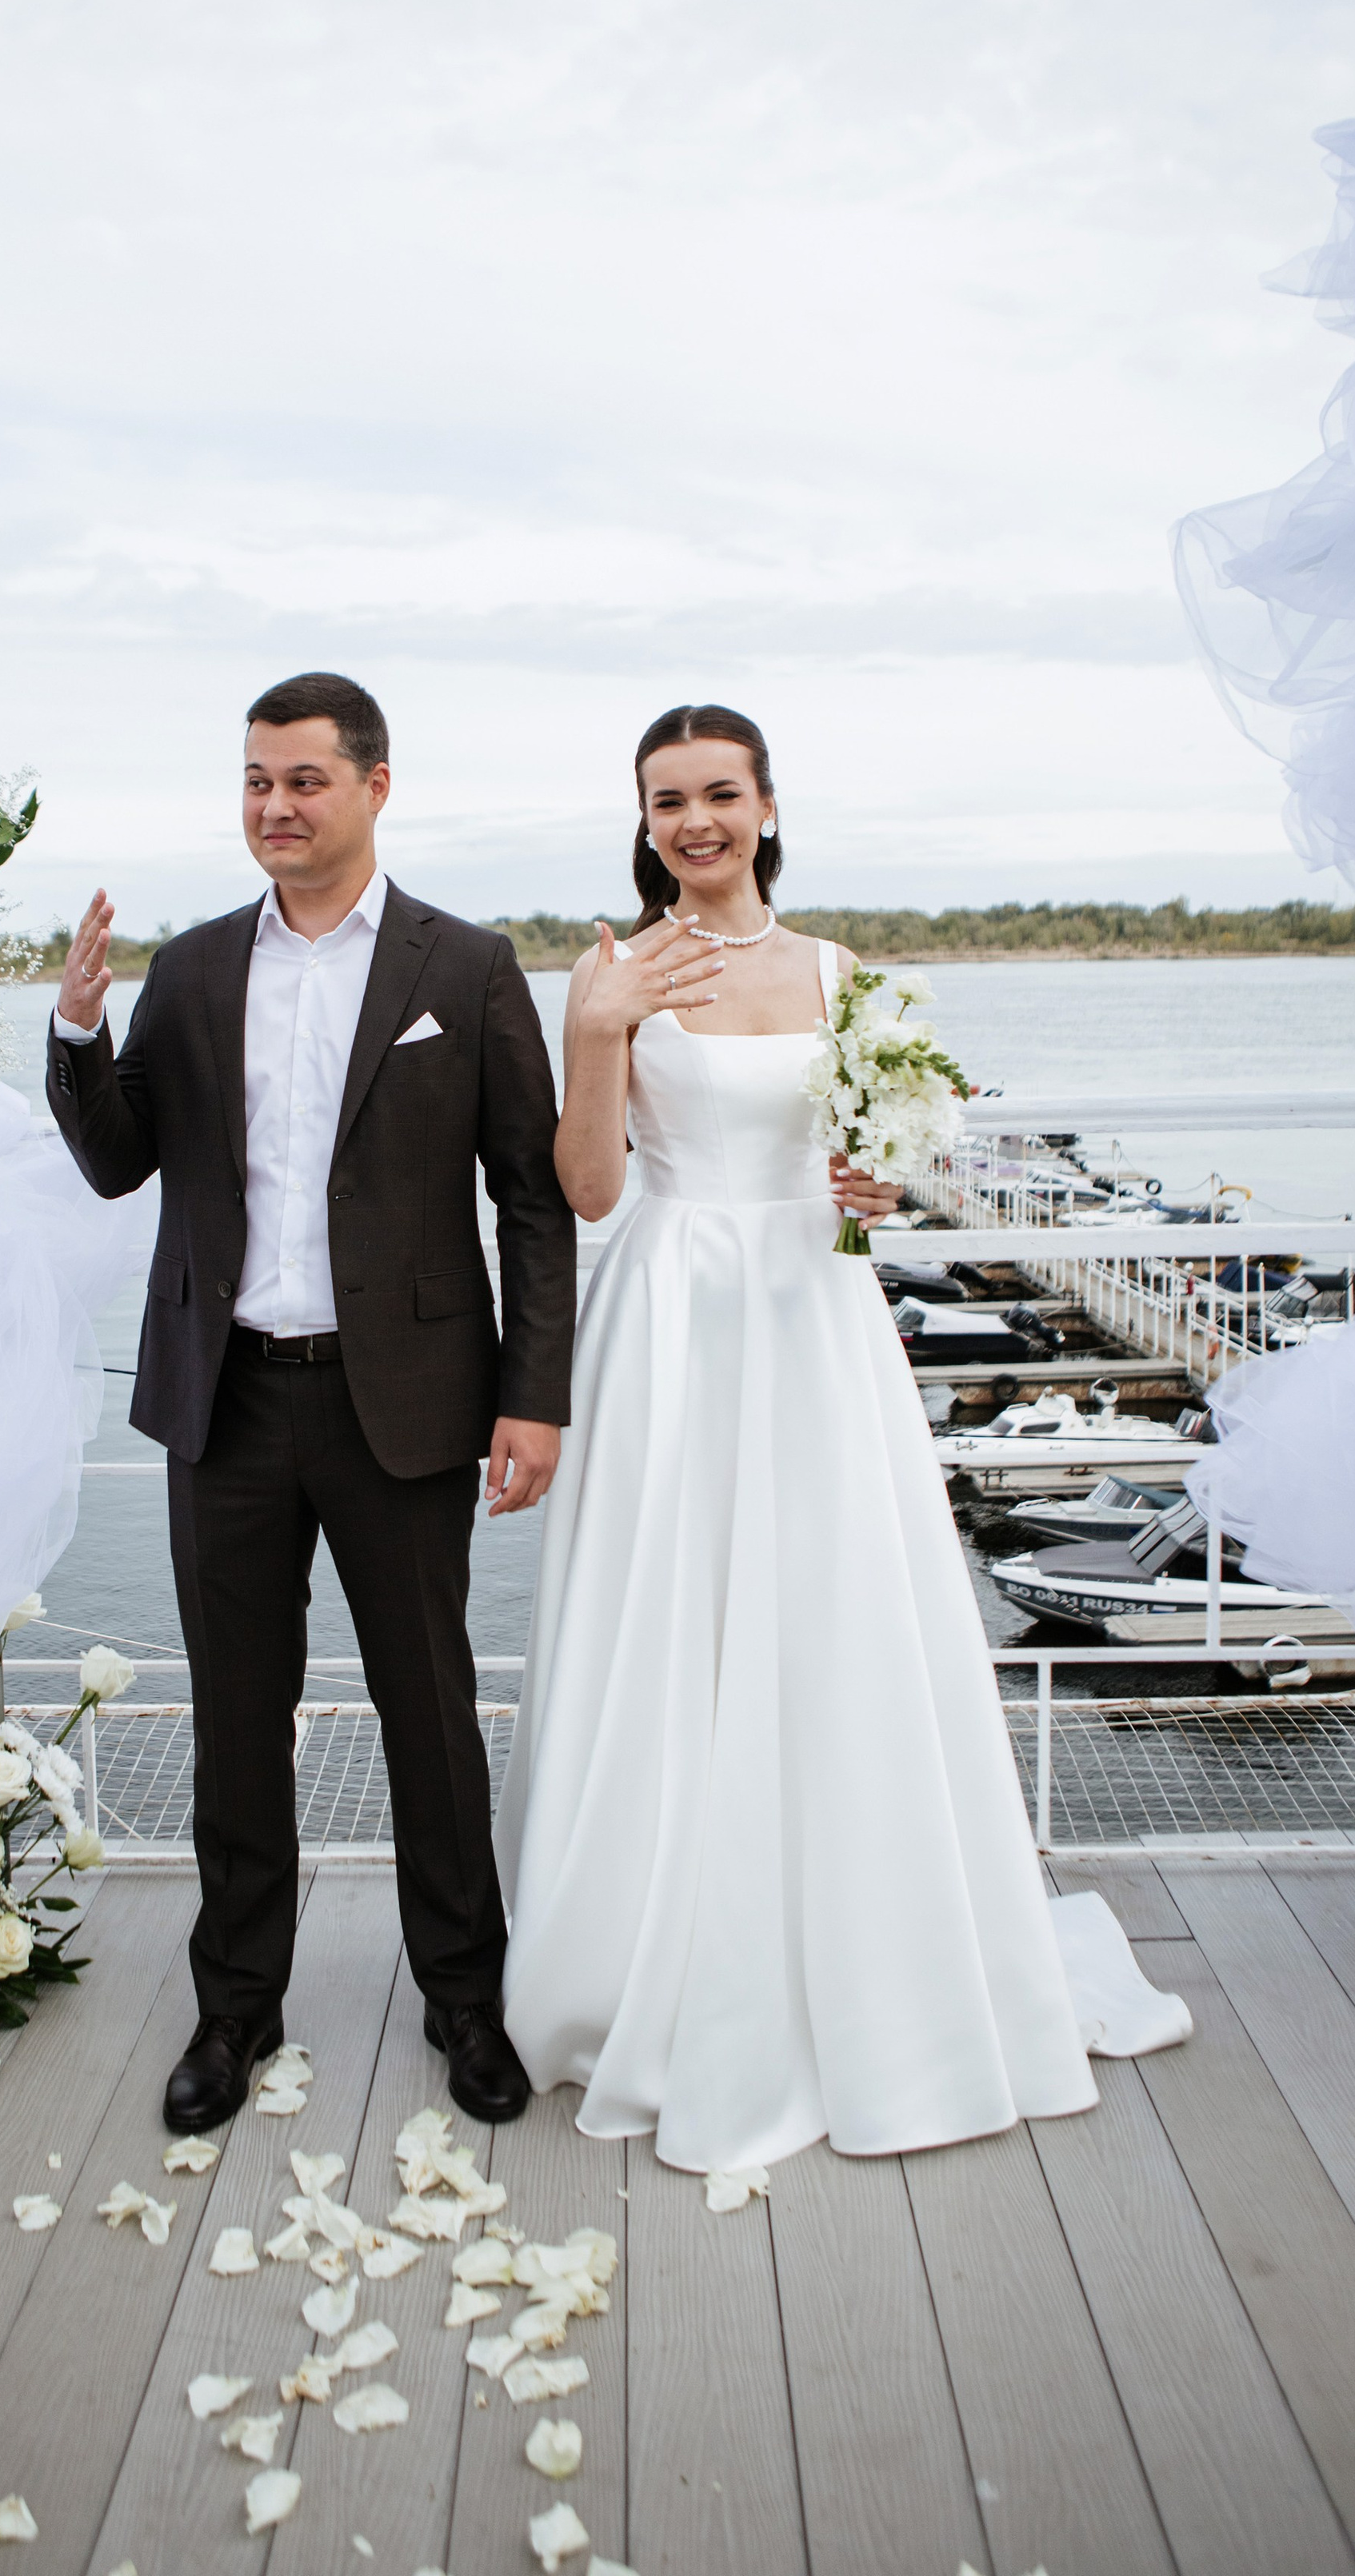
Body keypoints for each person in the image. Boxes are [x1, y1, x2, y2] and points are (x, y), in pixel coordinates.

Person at [496, 701, 1155, 2173]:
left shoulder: (844, 974)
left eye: (719, 795)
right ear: (646, 818)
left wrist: (880, 1181)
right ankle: (635, 1951)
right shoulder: (607, 973)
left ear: (770, 807)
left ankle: (861, 1942)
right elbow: (590, 1190)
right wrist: (599, 1034)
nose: (694, 823)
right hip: (673, 1308)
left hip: (813, 1316)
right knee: (672, 1616)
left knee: (832, 1612)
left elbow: (888, 1159)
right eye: (668, 801)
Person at [48, 673, 575, 2131]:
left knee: (431, 1714)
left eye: (303, 781)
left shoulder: (464, 969)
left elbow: (531, 1202)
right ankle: (235, 2011)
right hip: (225, 1406)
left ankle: (465, 1999)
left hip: (403, 1406)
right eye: (255, 782)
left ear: (375, 787)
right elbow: (118, 1160)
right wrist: (81, 1036)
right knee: (235, 1715)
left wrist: (535, 1399)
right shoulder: (199, 967)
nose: (274, 807)